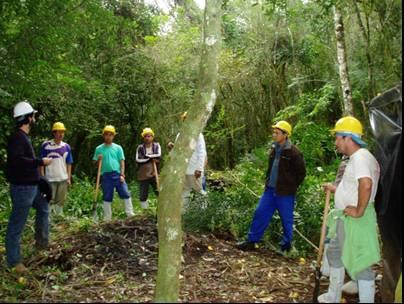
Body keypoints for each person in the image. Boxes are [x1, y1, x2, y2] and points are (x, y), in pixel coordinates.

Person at [318, 116, 381, 303]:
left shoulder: (360, 157)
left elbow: (366, 184)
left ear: (348, 137)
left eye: (338, 137)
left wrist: (359, 211)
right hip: (346, 219)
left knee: (361, 263)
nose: (335, 142)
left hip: (356, 220)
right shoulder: (357, 158)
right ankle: (333, 296)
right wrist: (336, 190)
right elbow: (355, 187)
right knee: (335, 253)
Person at [236, 121, 306, 254]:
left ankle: (286, 247)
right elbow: (271, 169)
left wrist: (290, 186)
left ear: (285, 135)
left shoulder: (294, 152)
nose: (274, 135)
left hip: (285, 193)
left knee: (286, 220)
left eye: (277, 133)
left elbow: (301, 173)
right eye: (274, 132)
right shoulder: (274, 149)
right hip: (270, 191)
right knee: (260, 213)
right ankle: (252, 241)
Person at [5, 100, 52, 273]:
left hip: (32, 187)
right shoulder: (17, 138)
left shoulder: (23, 137)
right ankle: (14, 261)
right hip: (22, 189)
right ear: (27, 118)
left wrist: (40, 180)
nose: (34, 118)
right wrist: (40, 162)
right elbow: (17, 162)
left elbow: (25, 164)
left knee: (44, 208)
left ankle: (42, 245)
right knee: (17, 223)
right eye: (32, 115)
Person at [167, 112, 207, 212]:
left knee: (198, 191)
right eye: (185, 119)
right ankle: (184, 213)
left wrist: (199, 168)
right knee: (184, 191)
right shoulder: (179, 135)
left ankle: (204, 211)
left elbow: (202, 152)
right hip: (183, 169)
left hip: (194, 169)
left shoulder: (198, 135)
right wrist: (172, 148)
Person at [92, 125, 134, 221]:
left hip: (117, 174)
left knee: (125, 193)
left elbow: (122, 162)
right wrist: (98, 159)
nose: (108, 136)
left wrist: (122, 174)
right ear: (103, 135)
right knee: (107, 196)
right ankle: (108, 218)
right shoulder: (99, 148)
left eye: (111, 134)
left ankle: (130, 214)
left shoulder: (118, 148)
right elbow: (94, 163)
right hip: (105, 175)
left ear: (113, 136)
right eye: (107, 134)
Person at [40, 122, 73, 216]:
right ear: (54, 133)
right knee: (49, 200)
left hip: (63, 178)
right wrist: (42, 177)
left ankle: (59, 218)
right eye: (59, 132)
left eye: (62, 132)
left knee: (60, 201)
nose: (61, 134)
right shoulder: (46, 145)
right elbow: (41, 162)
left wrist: (68, 178)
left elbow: (69, 162)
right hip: (50, 179)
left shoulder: (66, 146)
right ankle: (49, 219)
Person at [136, 128, 161, 209]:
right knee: (143, 195)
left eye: (149, 136)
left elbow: (158, 155)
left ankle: (161, 209)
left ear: (152, 137)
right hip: (143, 174)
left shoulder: (156, 146)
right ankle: (145, 211)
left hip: (154, 173)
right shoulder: (140, 148)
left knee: (159, 191)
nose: (147, 138)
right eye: (146, 136)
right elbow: (138, 159)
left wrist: (152, 158)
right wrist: (150, 158)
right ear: (143, 138)